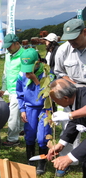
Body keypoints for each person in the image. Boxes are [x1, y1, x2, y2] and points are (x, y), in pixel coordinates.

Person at [53, 18, 86, 176]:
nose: (71, 42)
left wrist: (70, 157)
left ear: (84, 32)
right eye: (68, 39)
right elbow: (60, 74)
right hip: (74, 95)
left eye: (75, 38)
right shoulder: (63, 50)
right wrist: (61, 143)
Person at [16, 48, 53, 175]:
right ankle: (30, 161)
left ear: (37, 63)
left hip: (44, 109)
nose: (27, 72)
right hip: (29, 108)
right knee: (30, 136)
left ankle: (42, 162)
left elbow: (47, 95)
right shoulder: (21, 75)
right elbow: (19, 94)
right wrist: (22, 109)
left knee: (42, 138)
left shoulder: (46, 74)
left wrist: (36, 81)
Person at [47, 79, 86, 177]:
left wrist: (69, 157)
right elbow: (76, 121)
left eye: (55, 100)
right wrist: (61, 144)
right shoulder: (77, 98)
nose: (54, 103)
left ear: (65, 98)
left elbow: (75, 116)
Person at [0, 33, 25, 147]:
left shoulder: (25, 55)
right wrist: (3, 88)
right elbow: (6, 72)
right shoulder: (8, 55)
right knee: (20, 112)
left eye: (10, 46)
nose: (8, 48)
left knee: (13, 114)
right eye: (7, 46)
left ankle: (13, 139)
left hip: (20, 90)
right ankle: (22, 130)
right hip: (10, 89)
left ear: (17, 43)